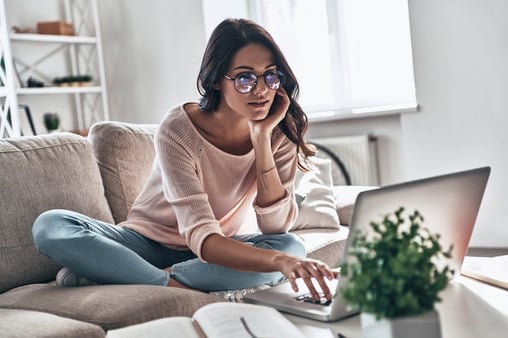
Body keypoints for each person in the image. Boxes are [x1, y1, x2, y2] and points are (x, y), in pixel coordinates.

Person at [32, 18, 335, 301]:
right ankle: (167, 284)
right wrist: (279, 263)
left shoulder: (280, 128)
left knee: (291, 246)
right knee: (51, 225)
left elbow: (276, 226)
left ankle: (120, 274)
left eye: (271, 76)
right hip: (146, 245)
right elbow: (202, 236)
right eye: (245, 78)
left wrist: (262, 140)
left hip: (218, 250)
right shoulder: (178, 129)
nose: (261, 90)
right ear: (216, 80)